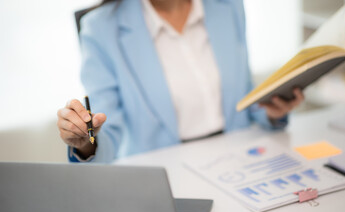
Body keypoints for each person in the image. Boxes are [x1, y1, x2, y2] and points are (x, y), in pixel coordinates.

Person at [57, 0, 304, 163]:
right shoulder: (100, 29)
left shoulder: (228, 6)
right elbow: (107, 133)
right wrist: (85, 144)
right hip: (165, 173)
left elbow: (244, 98)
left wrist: (272, 113)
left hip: (241, 159)